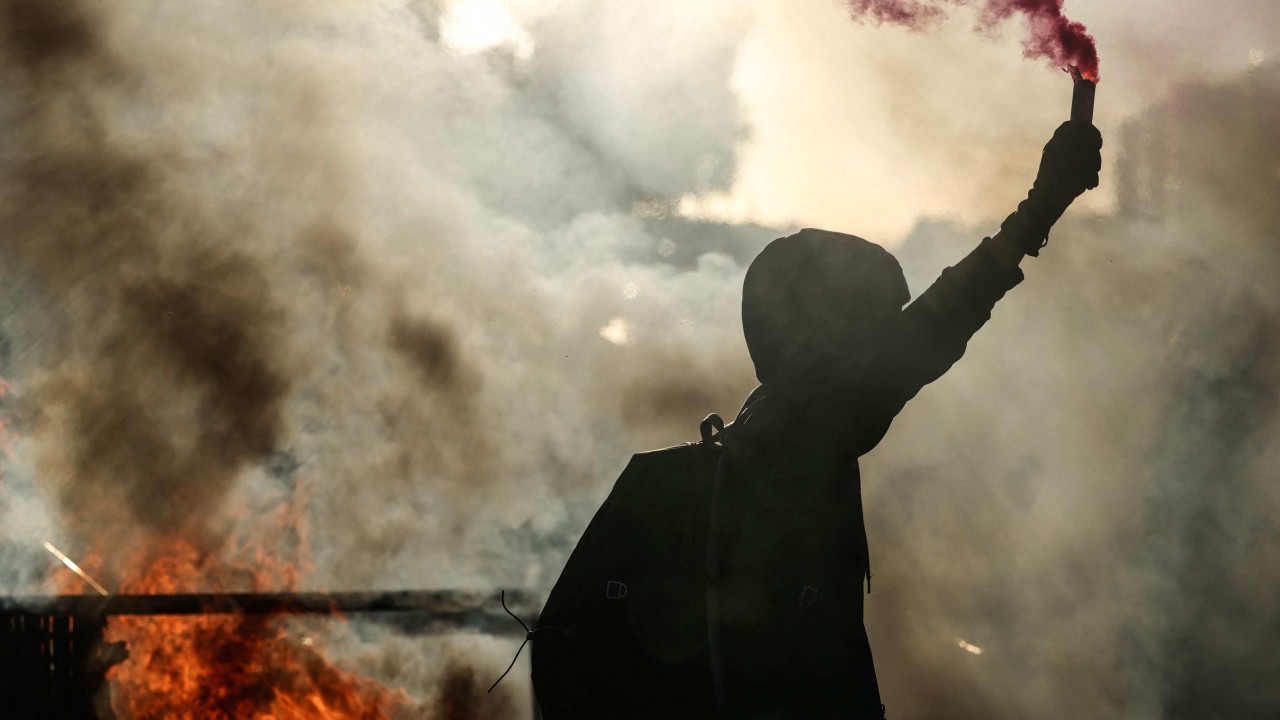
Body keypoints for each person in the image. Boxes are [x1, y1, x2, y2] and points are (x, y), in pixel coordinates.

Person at [706, 120, 1103, 719]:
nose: (886, 344)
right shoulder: (805, 434)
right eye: (870, 330)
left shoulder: (768, 428)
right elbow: (928, 333)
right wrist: (1036, 212)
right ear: (820, 340)